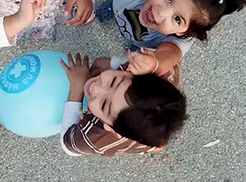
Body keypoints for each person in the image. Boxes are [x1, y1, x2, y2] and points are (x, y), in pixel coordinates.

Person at [96, 0, 246, 78]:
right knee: (118, 7)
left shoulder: (181, 39)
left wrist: (154, 63)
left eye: (177, 19)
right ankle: (112, 8)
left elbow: (169, 55)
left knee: (139, 46)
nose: (160, 12)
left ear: (183, 31)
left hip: (141, 37)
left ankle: (136, 44)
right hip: (123, 2)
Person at [58, 53, 187, 156]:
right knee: (100, 63)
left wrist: (77, 86)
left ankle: (153, 146)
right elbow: (174, 51)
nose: (97, 88)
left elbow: (69, 146)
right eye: (113, 81)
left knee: (100, 65)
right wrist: (148, 62)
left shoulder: (95, 135)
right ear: (133, 72)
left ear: (110, 128)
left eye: (104, 105)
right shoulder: (159, 71)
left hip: (137, 138)